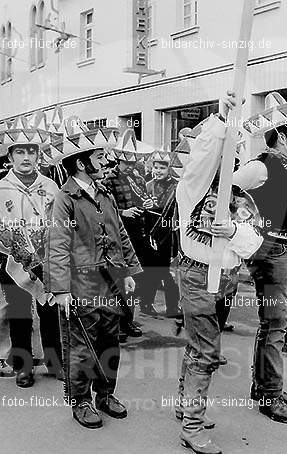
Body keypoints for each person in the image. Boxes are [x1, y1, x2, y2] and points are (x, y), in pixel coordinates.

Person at [171, 99, 263, 454]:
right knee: (207, 352)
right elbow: (204, 155)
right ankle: (192, 427)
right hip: (195, 276)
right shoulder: (191, 188)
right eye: (227, 150)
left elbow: (252, 243)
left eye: (235, 151)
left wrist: (233, 231)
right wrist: (222, 119)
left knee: (198, 346)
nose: (231, 156)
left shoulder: (242, 198)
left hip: (227, 278)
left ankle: (184, 404)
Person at [46, 118, 140, 429]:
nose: (106, 161)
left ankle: (105, 394)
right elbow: (56, 245)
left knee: (109, 341)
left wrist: (126, 271)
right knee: (81, 345)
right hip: (80, 284)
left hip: (110, 282)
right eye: (100, 157)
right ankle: (81, 400)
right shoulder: (64, 198)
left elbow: (120, 234)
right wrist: (60, 290)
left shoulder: (104, 195)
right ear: (81, 163)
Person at [234, 91, 287, 425]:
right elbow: (227, 190)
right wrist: (247, 228)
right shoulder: (260, 166)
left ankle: (264, 386)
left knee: (274, 324)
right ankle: (270, 395)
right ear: (283, 135)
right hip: (273, 252)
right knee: (276, 324)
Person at [0, 112, 61, 387]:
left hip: (46, 261)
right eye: (20, 152)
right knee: (18, 313)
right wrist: (0, 259)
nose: (26, 157)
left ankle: (55, 362)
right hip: (11, 262)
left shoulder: (50, 187)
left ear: (38, 155)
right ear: (10, 157)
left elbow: (61, 225)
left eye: (31, 151)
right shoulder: (0, 189)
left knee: (49, 310)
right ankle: (23, 366)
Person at [105, 136, 161, 319]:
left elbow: (143, 200)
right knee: (123, 275)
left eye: (132, 162)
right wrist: (123, 212)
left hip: (139, 230)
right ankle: (122, 319)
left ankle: (139, 308)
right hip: (120, 232)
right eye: (127, 162)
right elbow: (104, 209)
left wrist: (147, 204)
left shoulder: (137, 178)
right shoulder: (108, 179)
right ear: (119, 160)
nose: (130, 166)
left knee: (146, 270)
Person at [146, 156, 181, 318]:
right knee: (154, 270)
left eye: (162, 168)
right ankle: (147, 303)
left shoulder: (177, 186)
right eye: (156, 168)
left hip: (170, 232)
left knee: (170, 271)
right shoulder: (148, 186)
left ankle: (172, 307)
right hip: (152, 231)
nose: (158, 171)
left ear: (169, 169)